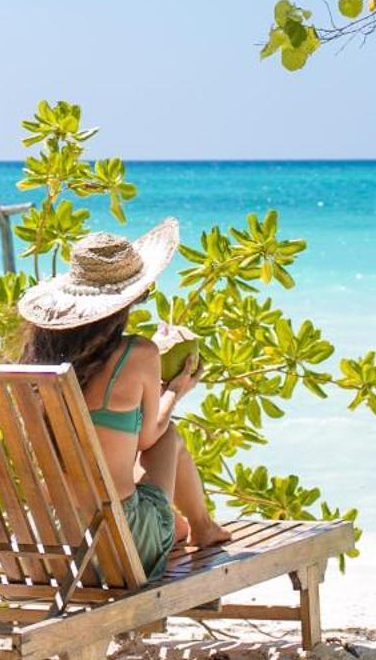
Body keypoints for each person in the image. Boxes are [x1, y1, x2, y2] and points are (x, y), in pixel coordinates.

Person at [18, 220, 232, 579]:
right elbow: (149, 438)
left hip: (55, 538)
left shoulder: (37, 364)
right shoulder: (138, 353)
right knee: (168, 436)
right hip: (120, 543)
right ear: (128, 300)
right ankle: (202, 527)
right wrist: (175, 389)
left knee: (147, 497)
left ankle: (183, 527)